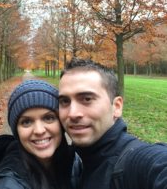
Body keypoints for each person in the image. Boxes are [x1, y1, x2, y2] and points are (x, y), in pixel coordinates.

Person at [58, 58, 167, 189]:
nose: (72, 113)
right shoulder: (77, 161)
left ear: (116, 106)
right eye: (64, 101)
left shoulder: (138, 162)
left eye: (87, 99)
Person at [0, 79, 80, 189]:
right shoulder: (8, 185)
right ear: (17, 132)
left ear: (61, 123)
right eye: (26, 122)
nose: (39, 130)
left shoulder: (77, 161)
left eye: (48, 118)